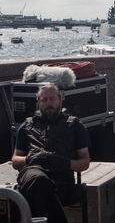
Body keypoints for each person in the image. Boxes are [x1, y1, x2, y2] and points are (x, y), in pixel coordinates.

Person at [12, 84, 90, 223]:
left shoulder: (75, 125)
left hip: (62, 178)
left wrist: (63, 162)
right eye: (44, 100)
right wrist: (30, 159)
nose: (48, 103)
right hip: (32, 173)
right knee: (39, 181)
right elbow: (15, 161)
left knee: (41, 190)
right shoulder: (27, 126)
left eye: (52, 99)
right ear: (39, 103)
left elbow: (85, 163)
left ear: (60, 100)